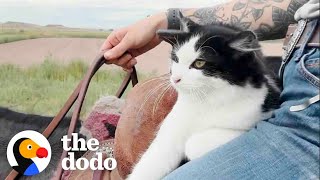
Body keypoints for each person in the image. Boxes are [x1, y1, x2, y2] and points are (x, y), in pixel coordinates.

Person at [100, 0, 319, 179]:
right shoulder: (186, 83)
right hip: (298, 62)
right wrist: (165, 20)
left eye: (199, 64)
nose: (174, 77)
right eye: (175, 60)